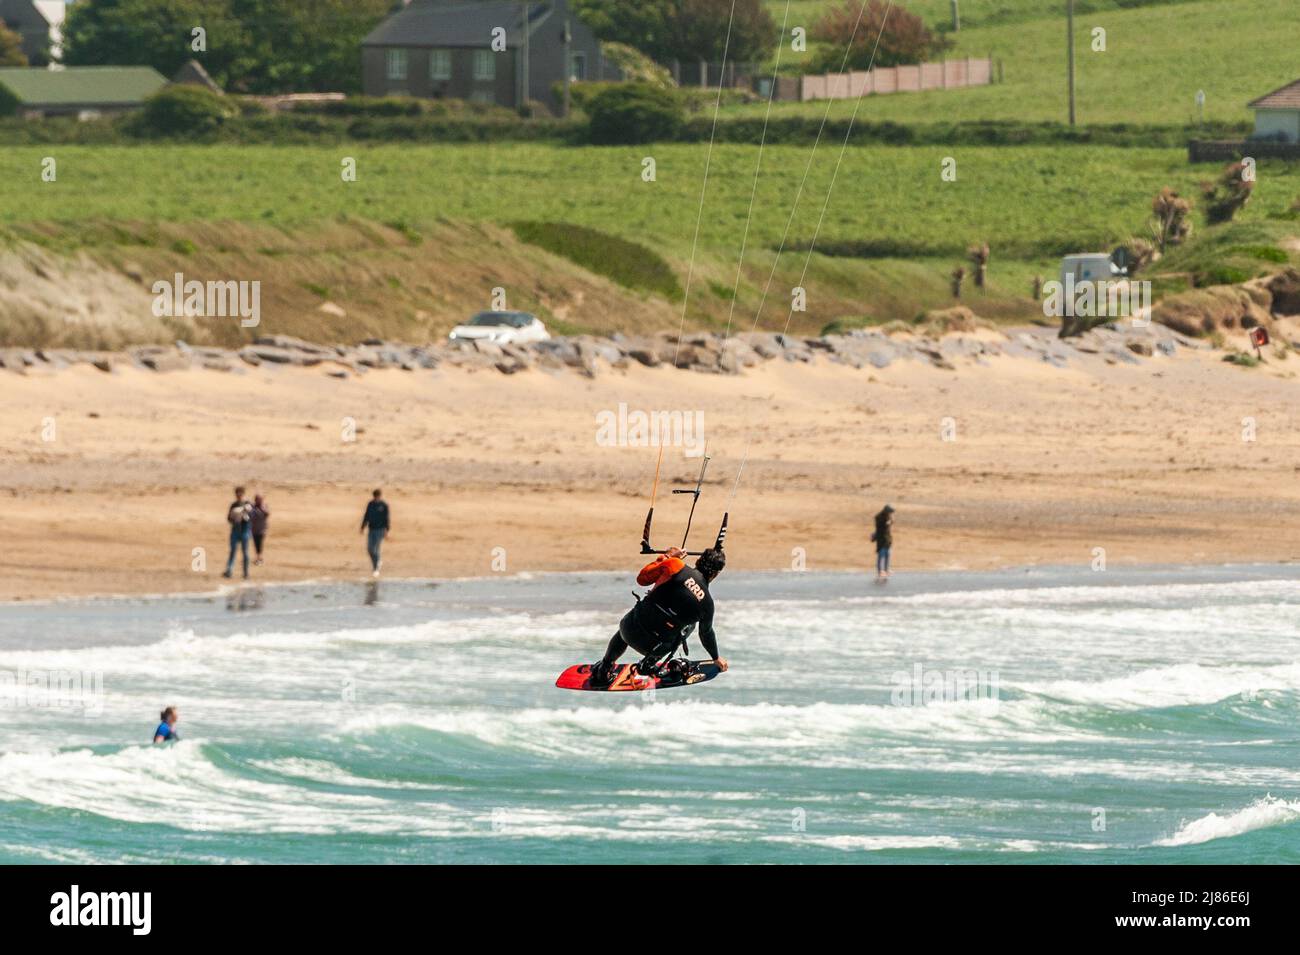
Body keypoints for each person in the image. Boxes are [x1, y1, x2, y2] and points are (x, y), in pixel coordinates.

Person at [590, 545, 729, 687]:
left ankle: (604, 668)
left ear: (699, 560)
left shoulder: (675, 565)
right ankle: (648, 664)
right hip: (653, 648)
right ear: (715, 574)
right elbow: (706, 634)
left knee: (636, 621)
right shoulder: (707, 605)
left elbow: (642, 579)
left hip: (628, 630)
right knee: (690, 625)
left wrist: (667, 557)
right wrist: (715, 657)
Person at [223, 487, 252, 579]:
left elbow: (252, 515)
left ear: (243, 494)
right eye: (237, 494)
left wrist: (245, 514)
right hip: (235, 530)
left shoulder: (248, 504)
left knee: (245, 553)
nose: (239, 496)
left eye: (240, 494)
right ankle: (229, 571)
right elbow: (229, 518)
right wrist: (235, 517)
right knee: (233, 551)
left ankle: (246, 573)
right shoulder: (234, 505)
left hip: (245, 531)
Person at [360, 489, 390, 578]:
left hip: (380, 530)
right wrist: (362, 527)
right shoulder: (370, 504)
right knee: (369, 548)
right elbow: (366, 515)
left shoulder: (384, 505)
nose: (376, 498)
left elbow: (386, 519)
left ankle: (376, 568)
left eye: (378, 496)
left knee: (375, 549)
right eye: (375, 496)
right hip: (371, 529)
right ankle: (377, 561)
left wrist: (386, 530)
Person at [872, 504, 895, 579]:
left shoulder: (888, 517)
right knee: (881, 555)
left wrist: (890, 521)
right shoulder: (879, 517)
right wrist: (886, 523)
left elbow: (891, 523)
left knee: (887, 554)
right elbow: (880, 527)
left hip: (887, 539)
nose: (890, 513)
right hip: (881, 539)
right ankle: (880, 571)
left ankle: (886, 569)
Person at [250, 494, 270, 566]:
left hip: (262, 529)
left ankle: (259, 558)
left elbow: (267, 514)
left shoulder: (264, 506)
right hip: (254, 529)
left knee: (259, 544)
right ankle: (259, 558)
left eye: (260, 499)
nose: (258, 500)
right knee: (256, 544)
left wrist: (261, 508)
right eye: (257, 499)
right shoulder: (252, 507)